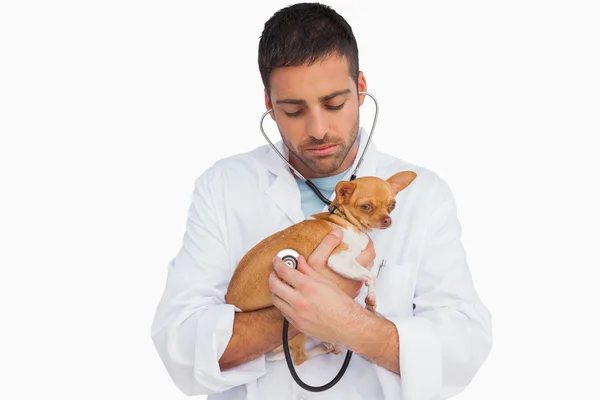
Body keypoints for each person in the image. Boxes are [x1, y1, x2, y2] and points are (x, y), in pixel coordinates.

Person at [150, 2, 493, 399]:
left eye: (334, 104)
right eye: (293, 110)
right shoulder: (224, 186)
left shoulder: (425, 194)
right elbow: (180, 344)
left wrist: (346, 321)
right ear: (268, 104)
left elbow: (463, 346)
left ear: (361, 87)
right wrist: (299, 310)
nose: (318, 129)